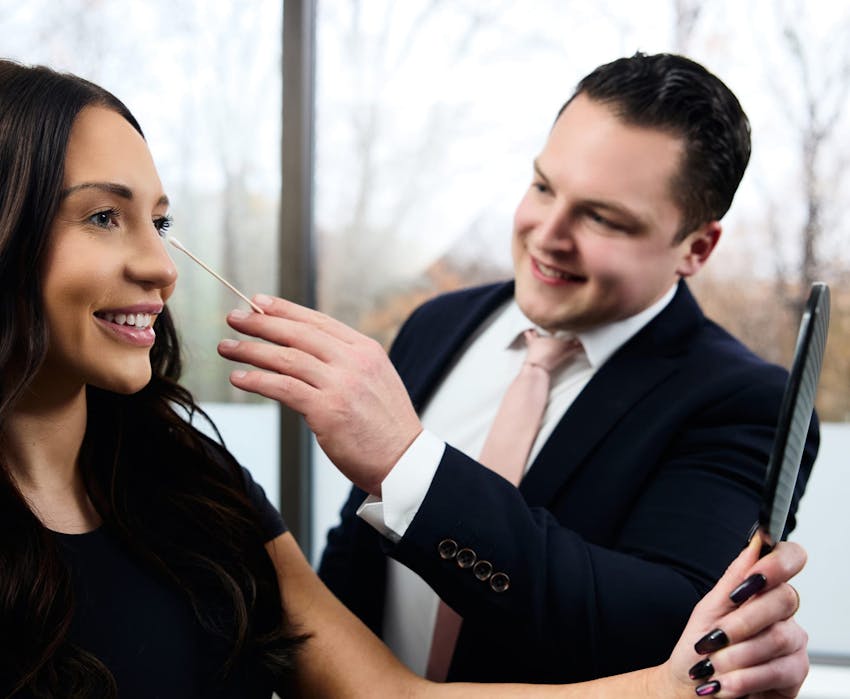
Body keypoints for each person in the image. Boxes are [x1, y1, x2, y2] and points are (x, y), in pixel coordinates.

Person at [0, 57, 808, 699]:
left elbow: (664, 626)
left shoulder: (192, 477)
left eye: (602, 217)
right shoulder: (439, 326)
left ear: (697, 248)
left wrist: (408, 464)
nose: (545, 233)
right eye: (542, 186)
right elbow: (348, 595)